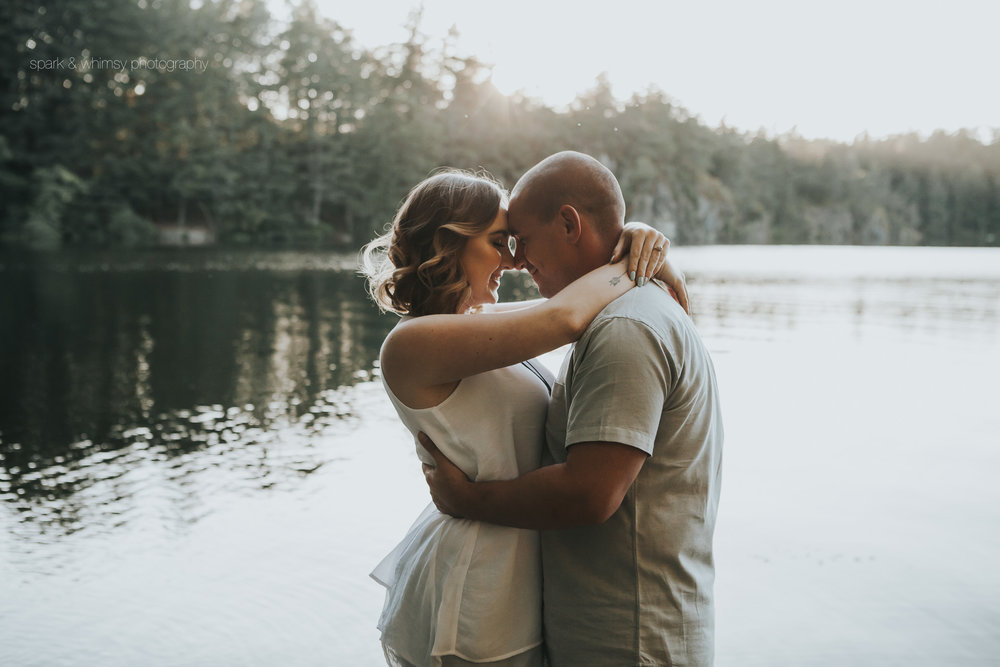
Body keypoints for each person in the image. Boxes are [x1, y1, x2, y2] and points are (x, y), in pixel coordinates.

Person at [361, 168, 689, 667]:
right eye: (498, 241)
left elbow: (584, 301)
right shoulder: (411, 345)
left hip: (519, 561)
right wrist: (636, 260)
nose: (514, 260)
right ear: (448, 245)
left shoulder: (480, 324)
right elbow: (567, 316)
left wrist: (644, 243)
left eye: (513, 242)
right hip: (480, 576)